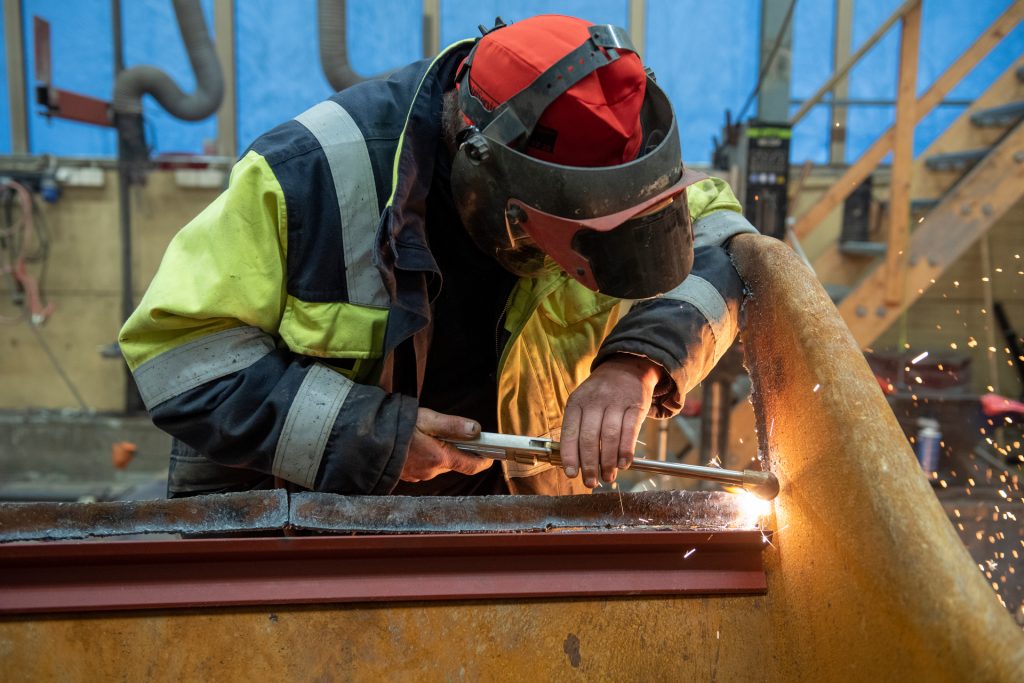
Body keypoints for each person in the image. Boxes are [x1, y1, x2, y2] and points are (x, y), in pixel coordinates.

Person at [118, 14, 757, 498]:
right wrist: (367, 435)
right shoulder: (308, 176)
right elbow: (180, 361)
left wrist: (634, 364)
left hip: (500, 528)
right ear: (498, 192)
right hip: (307, 545)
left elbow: (727, 240)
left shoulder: (616, 164)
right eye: (590, 236)